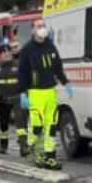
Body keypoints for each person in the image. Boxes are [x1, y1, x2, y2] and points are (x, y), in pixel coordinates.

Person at [16, 19, 73, 170]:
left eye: (43, 25)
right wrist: (22, 93)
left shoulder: (50, 46)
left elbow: (57, 68)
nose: (42, 28)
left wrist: (65, 82)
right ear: (33, 30)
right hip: (35, 93)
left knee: (51, 126)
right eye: (39, 26)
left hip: (50, 92)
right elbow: (22, 73)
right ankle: (30, 145)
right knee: (37, 126)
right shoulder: (27, 50)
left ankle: (50, 157)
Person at [0, 41, 28, 158]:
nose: (6, 54)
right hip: (2, 99)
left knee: (21, 122)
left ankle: (23, 146)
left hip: (17, 97)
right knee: (3, 123)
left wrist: (24, 94)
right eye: (3, 52)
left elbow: (24, 80)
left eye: (8, 51)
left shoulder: (18, 64)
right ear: (0, 54)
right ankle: (3, 146)